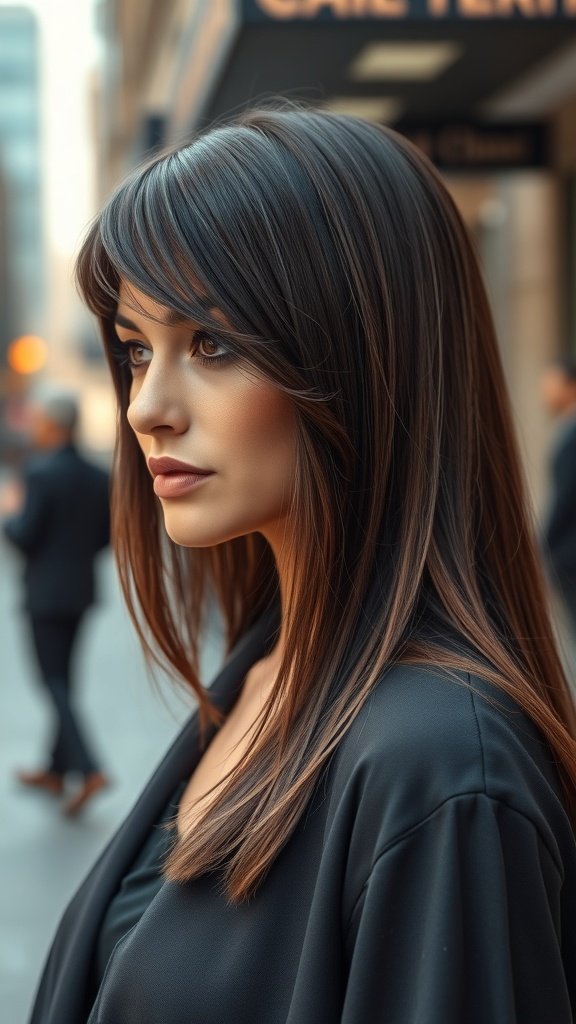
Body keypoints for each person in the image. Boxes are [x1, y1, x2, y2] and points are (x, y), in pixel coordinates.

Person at [29, 108, 576, 1024]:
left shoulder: (441, 771)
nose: (145, 409)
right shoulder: (269, 666)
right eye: (134, 350)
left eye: (211, 341)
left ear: (360, 358)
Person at [3, 387, 111, 816]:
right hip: (81, 591)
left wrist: (9, 516)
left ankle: (88, 768)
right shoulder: (97, 474)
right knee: (64, 679)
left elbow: (24, 536)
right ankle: (54, 769)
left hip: (45, 595)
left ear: (51, 425)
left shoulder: (39, 473)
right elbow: (105, 537)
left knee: (52, 682)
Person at [541, 358, 576, 635]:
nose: (545, 388)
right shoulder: (565, 428)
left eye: (551, 380)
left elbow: (565, 498)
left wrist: (544, 544)